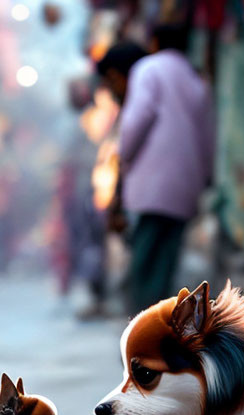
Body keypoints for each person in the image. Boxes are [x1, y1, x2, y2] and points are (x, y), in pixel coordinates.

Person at [98, 27, 215, 314]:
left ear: (154, 43)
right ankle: (160, 322)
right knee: (166, 260)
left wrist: (123, 153)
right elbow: (207, 137)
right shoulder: (196, 80)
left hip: (151, 184)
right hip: (186, 186)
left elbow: (138, 118)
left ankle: (140, 322)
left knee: (144, 258)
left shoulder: (148, 69)